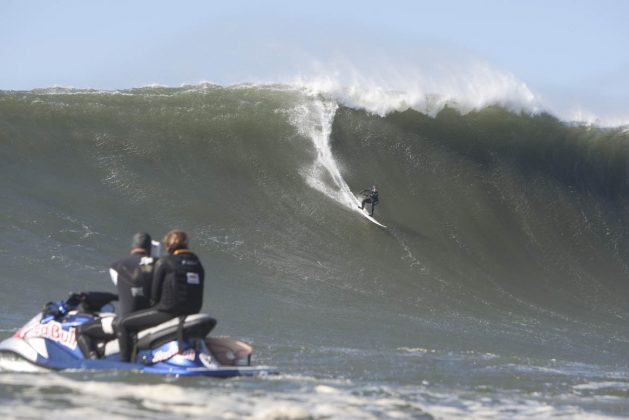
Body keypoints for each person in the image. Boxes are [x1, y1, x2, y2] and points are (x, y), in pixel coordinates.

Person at [116, 229, 205, 363]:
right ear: (186, 244)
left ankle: (126, 363)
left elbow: (154, 295)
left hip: (168, 312)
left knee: (123, 324)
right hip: (192, 311)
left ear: (168, 246)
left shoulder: (165, 262)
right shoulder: (197, 263)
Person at [76, 232, 157, 359]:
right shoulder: (158, 265)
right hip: (153, 319)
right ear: (150, 249)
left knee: (81, 330)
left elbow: (125, 291)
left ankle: (93, 360)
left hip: (127, 323)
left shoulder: (117, 266)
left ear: (132, 246)